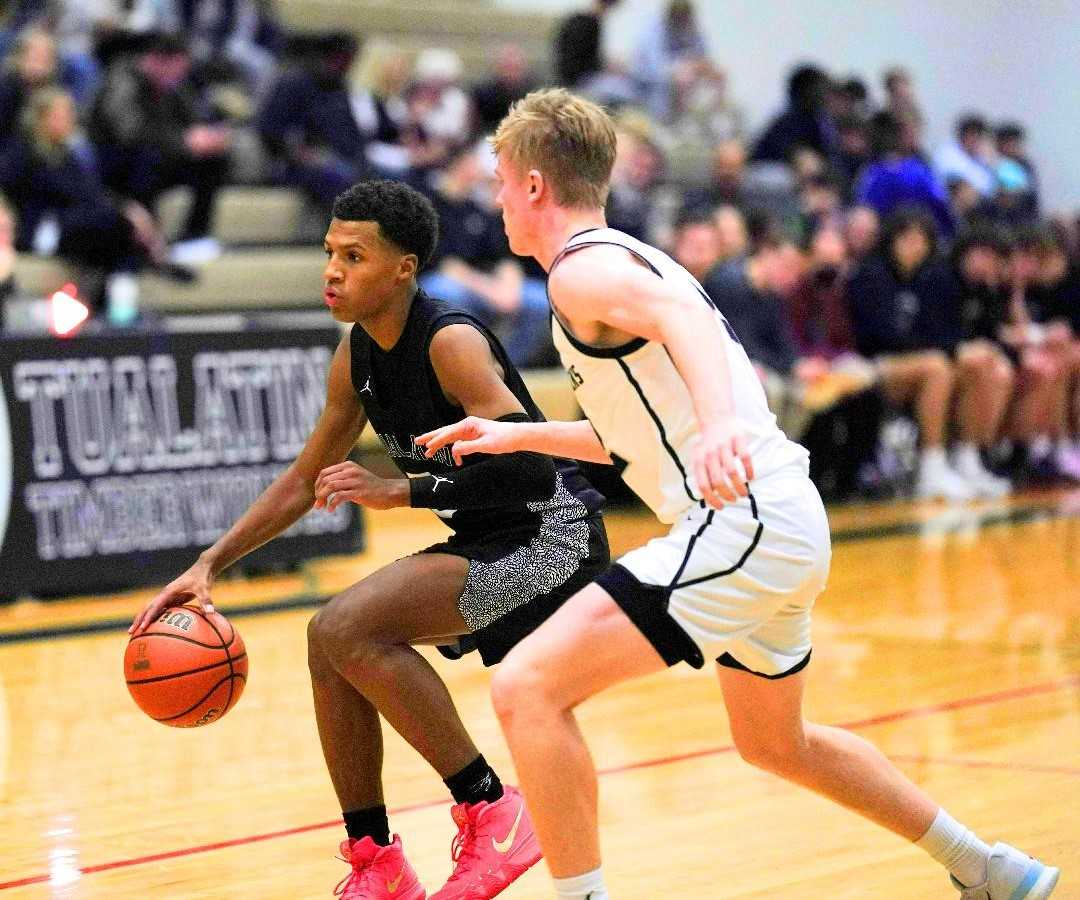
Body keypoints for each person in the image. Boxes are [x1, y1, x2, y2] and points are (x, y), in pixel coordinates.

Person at [417, 88, 1059, 900]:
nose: (498, 198)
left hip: (743, 519)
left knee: (526, 686)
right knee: (776, 743)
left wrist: (720, 425)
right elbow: (636, 440)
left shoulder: (586, 270)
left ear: (536, 186)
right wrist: (520, 434)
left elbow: (684, 317)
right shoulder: (614, 261)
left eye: (502, 181)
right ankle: (992, 869)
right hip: (774, 520)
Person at [129, 179, 610, 900]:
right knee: (329, 640)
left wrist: (400, 490)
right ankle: (375, 859)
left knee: (347, 627)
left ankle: (493, 810)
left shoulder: (450, 341)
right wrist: (209, 565)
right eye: (329, 252)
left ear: (403, 268)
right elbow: (303, 479)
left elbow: (531, 467)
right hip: (488, 534)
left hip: (554, 537)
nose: (332, 269)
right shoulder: (355, 357)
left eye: (354, 256)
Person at [848, 208, 1012, 499]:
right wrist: (950, 350)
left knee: (976, 368)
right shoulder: (871, 274)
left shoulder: (926, 278)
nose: (915, 247)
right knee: (937, 365)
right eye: (908, 239)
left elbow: (939, 333)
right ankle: (931, 467)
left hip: (916, 362)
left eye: (922, 241)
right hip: (870, 363)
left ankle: (967, 459)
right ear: (892, 240)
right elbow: (880, 336)